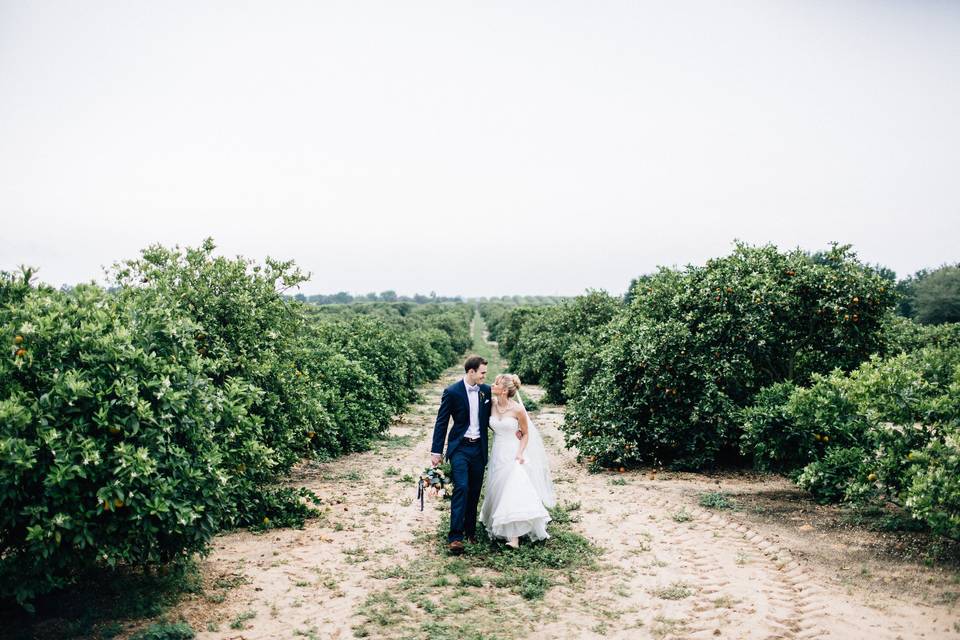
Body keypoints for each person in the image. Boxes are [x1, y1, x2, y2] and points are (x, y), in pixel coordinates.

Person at [479, 373, 556, 548]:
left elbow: (525, 433)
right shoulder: (490, 404)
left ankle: (514, 538)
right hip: (498, 452)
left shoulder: (518, 410)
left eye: (496, 383)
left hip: (514, 452)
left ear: (504, 390)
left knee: (512, 490)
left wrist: (520, 453)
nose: (492, 385)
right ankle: (499, 522)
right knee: (498, 487)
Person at [431, 355, 491, 555]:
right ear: (471, 372)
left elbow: (497, 413)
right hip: (460, 448)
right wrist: (436, 451)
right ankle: (455, 537)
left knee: (474, 492)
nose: (484, 376)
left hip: (478, 449)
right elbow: (441, 422)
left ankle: (470, 531)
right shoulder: (452, 391)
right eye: (482, 372)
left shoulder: (486, 391)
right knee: (462, 488)